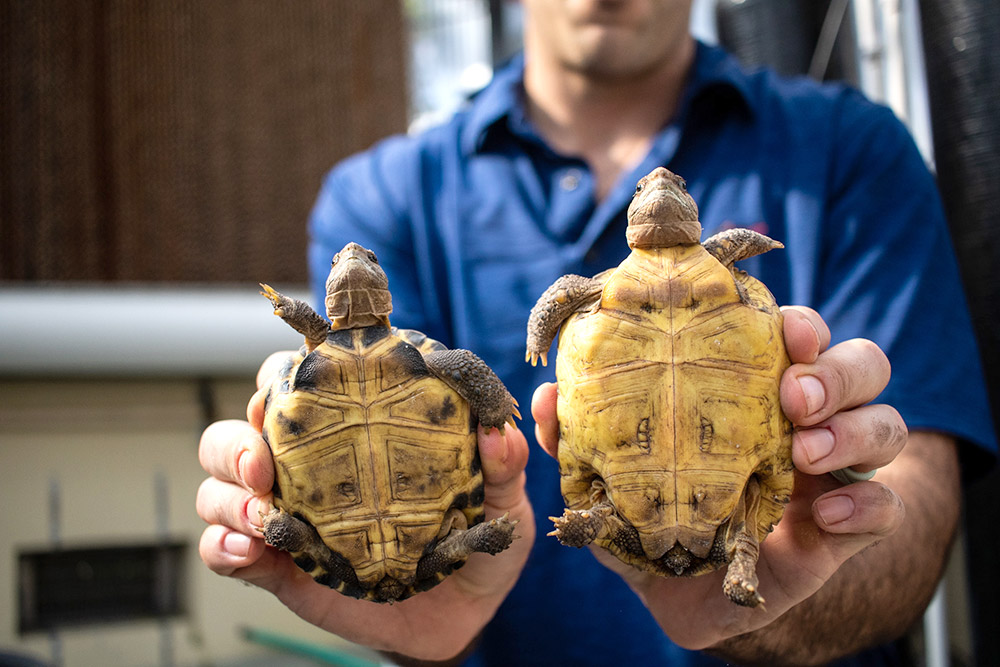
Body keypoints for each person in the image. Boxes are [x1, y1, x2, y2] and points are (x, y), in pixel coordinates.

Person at [196, 1, 997, 665]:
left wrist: (813, 544)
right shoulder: (388, 195)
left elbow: (921, 498)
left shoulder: (850, 151)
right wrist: (413, 602)